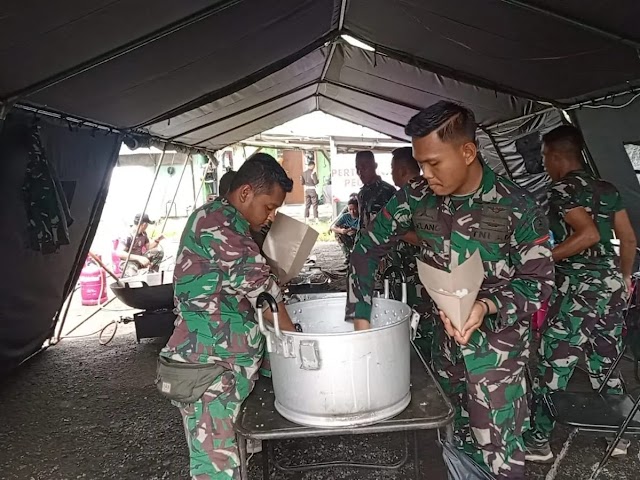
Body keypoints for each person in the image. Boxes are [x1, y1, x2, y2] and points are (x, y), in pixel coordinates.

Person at [346, 101, 554, 479]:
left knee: (499, 453)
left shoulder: (516, 206)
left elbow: (539, 282)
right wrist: (360, 314)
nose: (425, 173)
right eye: (420, 163)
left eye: (434, 163)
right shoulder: (416, 195)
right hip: (443, 350)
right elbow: (367, 247)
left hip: (497, 357)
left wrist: (487, 306)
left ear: (468, 151)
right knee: (446, 439)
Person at [159, 153, 298, 480]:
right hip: (209, 372)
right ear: (246, 193)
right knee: (217, 470)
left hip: (224, 366)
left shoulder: (232, 223)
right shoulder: (216, 221)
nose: (270, 216)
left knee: (233, 461)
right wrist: (298, 346)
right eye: (269, 207)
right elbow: (265, 295)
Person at [525, 125, 638, 462]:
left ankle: (538, 441)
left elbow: (587, 235)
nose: (545, 164)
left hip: (578, 289)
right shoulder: (606, 188)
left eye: (545, 157)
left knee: (553, 361)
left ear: (558, 156)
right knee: (606, 361)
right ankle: (619, 437)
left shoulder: (561, 189)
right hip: (611, 286)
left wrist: (543, 259)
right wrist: (625, 277)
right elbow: (628, 239)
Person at [389, 146, 435, 360]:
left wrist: (397, 232)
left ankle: (425, 362)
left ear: (400, 169)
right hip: (406, 273)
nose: (391, 172)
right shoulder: (406, 194)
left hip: (420, 275)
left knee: (422, 320)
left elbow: (431, 238)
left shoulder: (423, 194)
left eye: (392, 167)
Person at [354, 150, 396, 232]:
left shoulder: (388, 191)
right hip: (365, 242)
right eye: (357, 168)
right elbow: (362, 222)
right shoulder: (362, 193)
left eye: (364, 167)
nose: (360, 172)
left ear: (375, 166)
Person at [116, 213, 164, 277]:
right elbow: (119, 253)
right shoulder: (128, 235)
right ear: (144, 224)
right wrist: (139, 258)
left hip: (140, 258)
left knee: (158, 252)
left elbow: (148, 247)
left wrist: (157, 240)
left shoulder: (143, 234)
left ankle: (152, 273)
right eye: (147, 224)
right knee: (133, 275)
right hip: (128, 262)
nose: (147, 226)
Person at [331, 198, 359, 263]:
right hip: (348, 238)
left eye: (354, 209)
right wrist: (341, 231)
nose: (352, 212)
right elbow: (333, 227)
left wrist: (353, 230)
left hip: (358, 239)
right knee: (337, 234)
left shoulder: (363, 217)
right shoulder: (346, 216)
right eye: (350, 209)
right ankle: (348, 256)